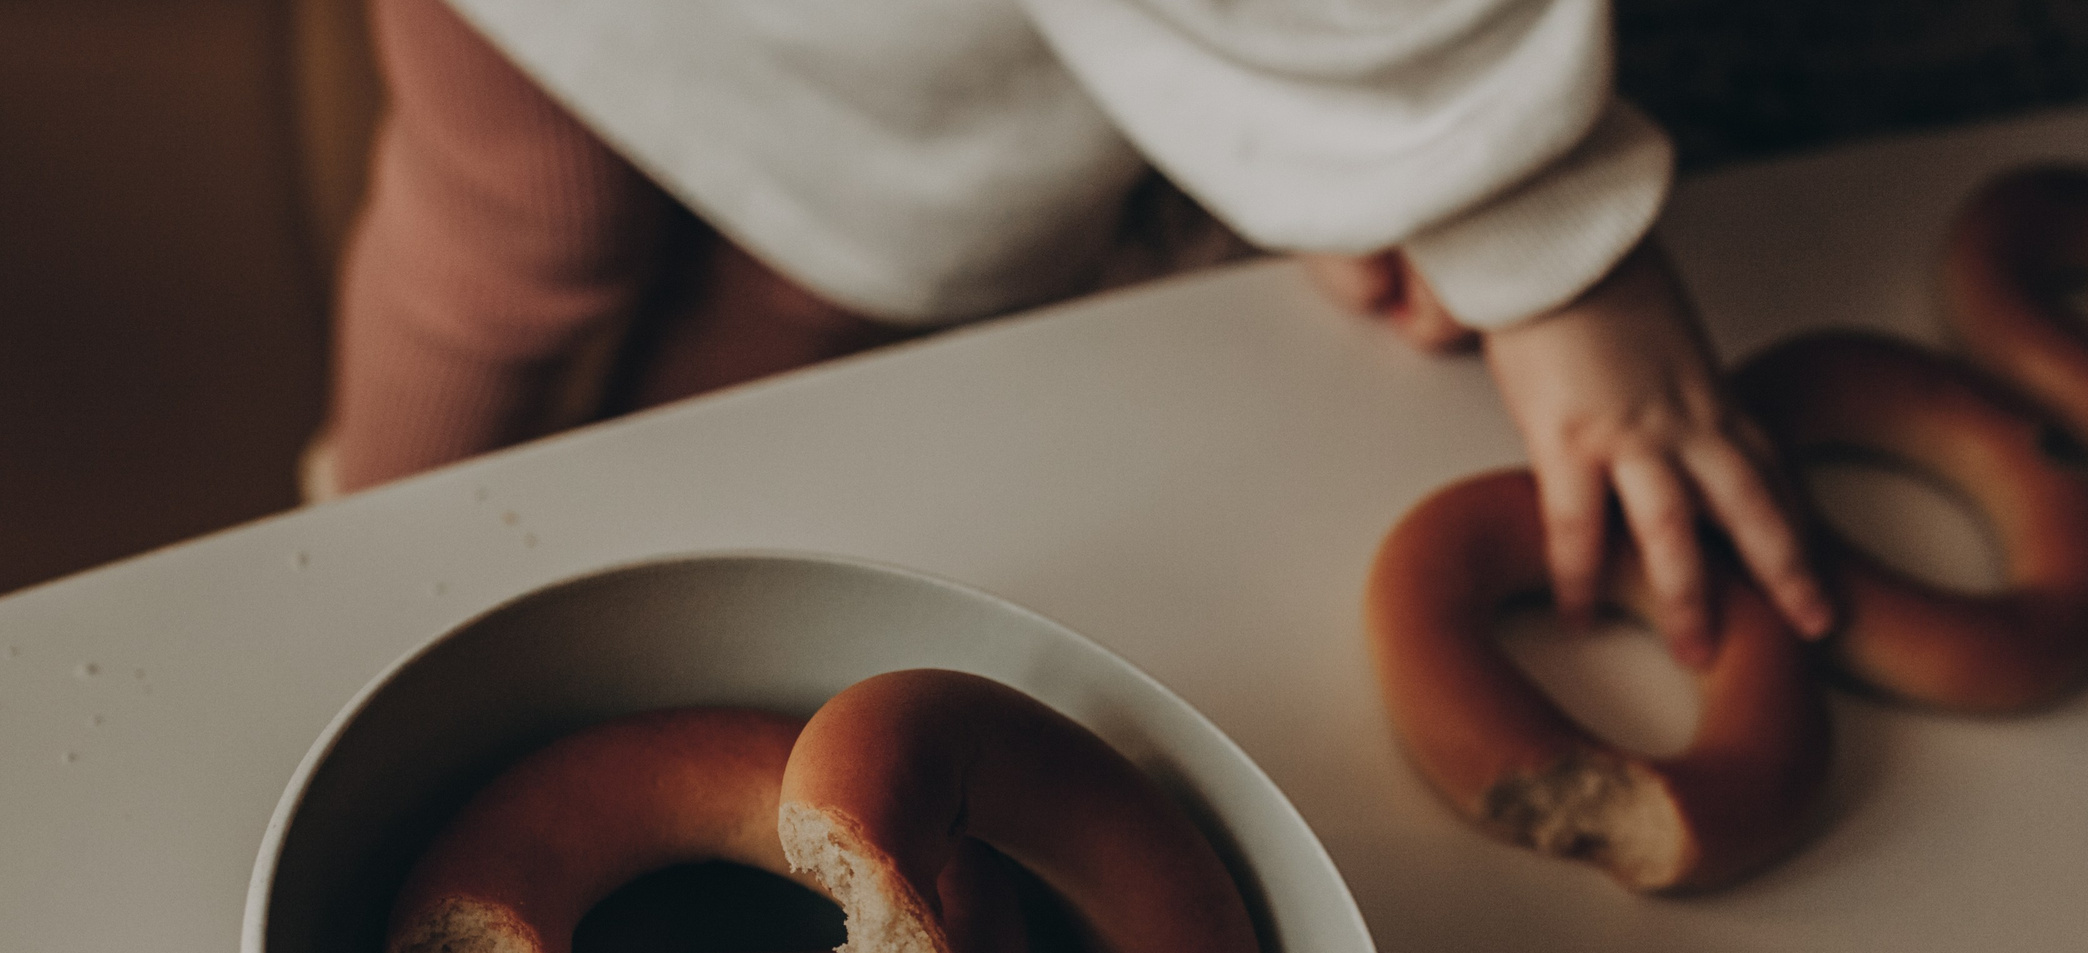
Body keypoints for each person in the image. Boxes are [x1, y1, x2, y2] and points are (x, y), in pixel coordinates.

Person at [323, 0, 1837, 661]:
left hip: (896, 64)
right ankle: (360, 582)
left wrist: (1295, 158)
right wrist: (1526, 220)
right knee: (526, 246)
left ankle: (580, 630)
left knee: (679, 291)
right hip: (636, 37)